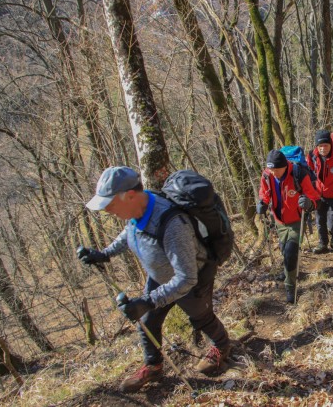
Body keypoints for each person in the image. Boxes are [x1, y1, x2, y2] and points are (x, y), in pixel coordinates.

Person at [78, 166, 231, 393]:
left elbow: (186, 278)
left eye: (109, 204)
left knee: (201, 318)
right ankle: (154, 366)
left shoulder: (172, 224)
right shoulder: (137, 212)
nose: (108, 211)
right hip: (160, 278)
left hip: (192, 281)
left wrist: (149, 301)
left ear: (129, 195)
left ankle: (221, 346)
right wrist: (105, 254)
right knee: (147, 323)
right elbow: (130, 234)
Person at [257, 150, 321, 303]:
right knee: (284, 250)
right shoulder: (267, 175)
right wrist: (262, 203)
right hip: (278, 220)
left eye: (276, 170)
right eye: (271, 169)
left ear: (285, 166)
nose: (274, 173)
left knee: (291, 252)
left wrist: (309, 203)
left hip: (296, 220)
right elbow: (264, 192)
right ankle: (288, 271)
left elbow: (314, 197)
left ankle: (290, 286)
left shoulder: (299, 174)